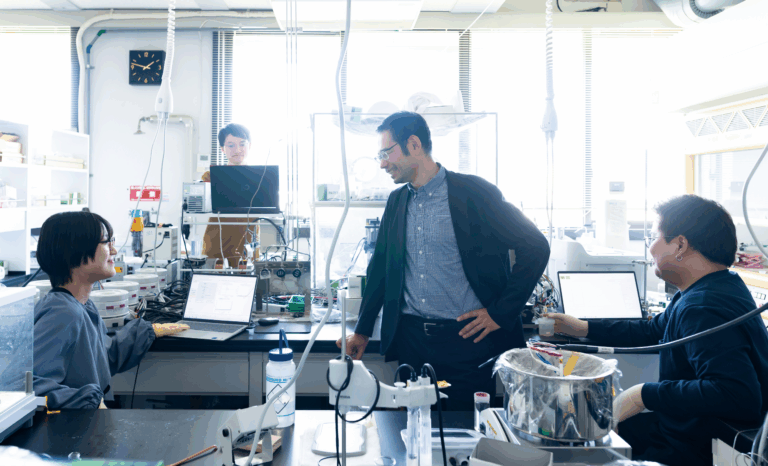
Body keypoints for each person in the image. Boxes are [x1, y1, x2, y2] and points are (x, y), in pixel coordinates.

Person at [337, 111, 550, 410]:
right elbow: (380, 270)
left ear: (414, 144)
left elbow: (535, 247)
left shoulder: (476, 193)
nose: (382, 163)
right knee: (413, 430)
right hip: (412, 344)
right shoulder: (396, 201)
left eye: (386, 153)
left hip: (468, 345)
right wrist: (362, 330)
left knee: (467, 431)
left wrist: (500, 313)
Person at [546, 195, 768, 466]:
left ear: (680, 245)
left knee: (575, 449)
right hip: (680, 427)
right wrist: (583, 327)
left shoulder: (703, 306)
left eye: (653, 237)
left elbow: (737, 394)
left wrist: (642, 395)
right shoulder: (714, 287)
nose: (649, 248)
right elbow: (653, 330)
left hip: (691, 446)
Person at [33, 211, 188, 409]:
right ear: (76, 251)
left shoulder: (82, 305)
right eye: (107, 243)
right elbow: (32, 387)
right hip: (72, 425)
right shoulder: (62, 313)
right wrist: (88, 402)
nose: (114, 251)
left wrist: (147, 331)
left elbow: (103, 357)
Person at [201, 123, 260, 265]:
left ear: (250, 146)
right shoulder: (210, 176)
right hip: (217, 244)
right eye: (231, 145)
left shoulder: (260, 177)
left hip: (248, 244)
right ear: (222, 149)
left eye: (242, 144)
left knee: (249, 276)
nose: (237, 150)